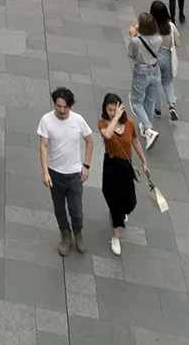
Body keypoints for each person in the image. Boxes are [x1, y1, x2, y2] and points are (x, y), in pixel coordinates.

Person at [37, 86, 94, 257]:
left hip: (74, 174)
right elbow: (44, 146)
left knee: (76, 209)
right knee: (59, 208)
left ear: (70, 106)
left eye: (65, 107)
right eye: (58, 106)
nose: (61, 110)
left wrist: (87, 166)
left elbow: (90, 141)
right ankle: (65, 235)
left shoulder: (78, 120)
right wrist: (45, 172)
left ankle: (78, 232)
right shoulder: (46, 120)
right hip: (55, 173)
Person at [98, 93, 154, 257]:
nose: (111, 113)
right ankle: (115, 237)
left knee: (130, 202)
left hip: (126, 166)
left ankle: (122, 212)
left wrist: (144, 162)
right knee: (113, 202)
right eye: (109, 110)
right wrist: (115, 119)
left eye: (114, 110)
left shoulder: (129, 124)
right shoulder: (103, 124)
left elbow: (135, 141)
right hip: (111, 165)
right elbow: (107, 135)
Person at [126, 13, 167, 149]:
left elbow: (131, 54)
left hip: (141, 72)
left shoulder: (136, 41)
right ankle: (147, 127)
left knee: (136, 102)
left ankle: (149, 130)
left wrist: (132, 35)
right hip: (155, 71)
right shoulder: (159, 40)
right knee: (150, 100)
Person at [150, 0, 180, 120]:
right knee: (167, 82)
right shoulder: (171, 26)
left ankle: (157, 109)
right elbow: (178, 43)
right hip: (168, 57)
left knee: (156, 83)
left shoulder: (151, 27)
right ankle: (171, 105)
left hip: (156, 58)